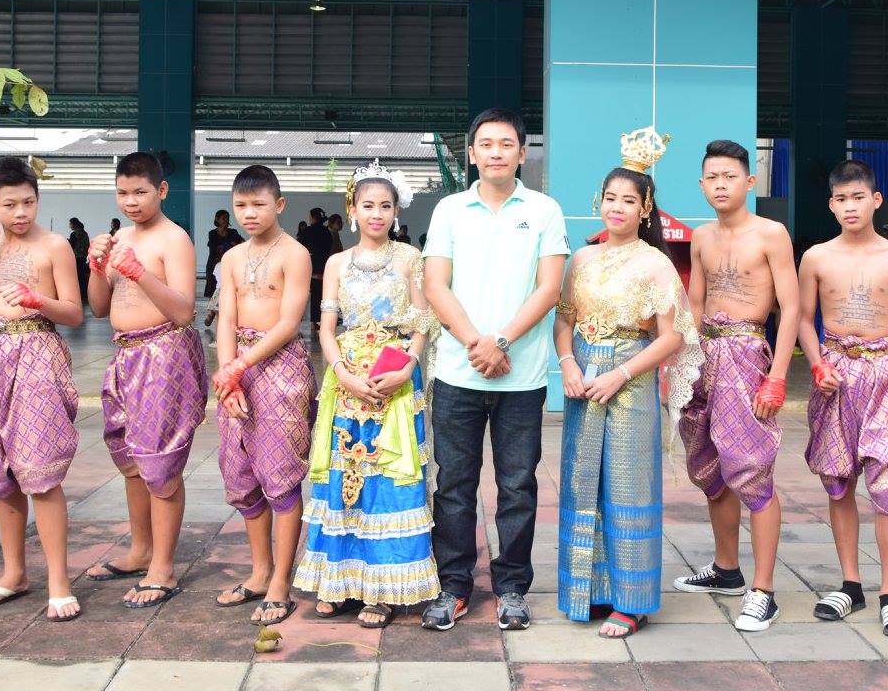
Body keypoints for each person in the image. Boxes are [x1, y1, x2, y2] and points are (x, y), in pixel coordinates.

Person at [420, 108, 568, 632]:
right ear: (472, 153)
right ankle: (453, 586)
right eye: (486, 144)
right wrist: (475, 343)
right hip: (458, 374)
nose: (497, 152)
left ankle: (511, 589)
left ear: (523, 153)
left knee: (518, 485)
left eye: (507, 144)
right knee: (453, 484)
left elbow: (549, 288)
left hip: (522, 377)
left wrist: (500, 341)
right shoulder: (450, 210)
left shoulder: (545, 210)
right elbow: (435, 285)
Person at [554, 133, 701, 638]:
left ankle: (631, 602)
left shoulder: (656, 263)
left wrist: (620, 373)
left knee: (627, 485)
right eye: (610, 198)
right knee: (583, 483)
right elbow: (564, 320)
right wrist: (567, 364)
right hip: (582, 382)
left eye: (628, 201)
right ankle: (590, 591)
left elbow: (672, 337)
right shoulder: (582, 259)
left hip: (630, 384)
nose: (616, 208)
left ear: (645, 209)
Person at [294, 162, 439, 629]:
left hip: (396, 377)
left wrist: (407, 367)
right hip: (348, 379)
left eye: (385, 206)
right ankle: (340, 583)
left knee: (389, 476)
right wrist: (342, 373)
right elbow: (326, 328)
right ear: (352, 210)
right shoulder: (337, 263)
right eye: (368, 205)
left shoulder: (411, 259)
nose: (377, 214)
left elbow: (423, 321)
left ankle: (383, 589)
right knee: (344, 477)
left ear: (396, 212)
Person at [675, 139, 799, 633]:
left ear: (749, 182)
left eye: (730, 176)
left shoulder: (771, 233)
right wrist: (683, 363)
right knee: (709, 465)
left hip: (748, 355)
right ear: (701, 185)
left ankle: (763, 591)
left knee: (752, 469)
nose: (720, 185)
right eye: (712, 177)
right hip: (705, 354)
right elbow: (695, 302)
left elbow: (791, 307)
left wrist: (777, 376)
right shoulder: (702, 237)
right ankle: (726, 569)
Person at [798, 159, 888, 639]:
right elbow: (803, 319)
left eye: (858, 198)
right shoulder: (816, 257)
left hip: (881, 372)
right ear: (831, 205)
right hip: (835, 372)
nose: (850, 207)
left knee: (887, 485)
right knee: (838, 481)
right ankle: (851, 584)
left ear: (876, 200)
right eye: (841, 199)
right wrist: (816, 364)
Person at [0, 157, 84, 623]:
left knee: (41, 471)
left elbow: (74, 313)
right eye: (9, 204)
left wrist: (39, 300)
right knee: (0, 472)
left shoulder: (55, 246)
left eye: (28, 202)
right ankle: (13, 572)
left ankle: (59, 581)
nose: (21, 212)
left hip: (37, 354)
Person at [85, 152, 207, 610]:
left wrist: (138, 272)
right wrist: (96, 267)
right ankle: (140, 550)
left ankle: (163, 567)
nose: (130, 201)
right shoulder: (120, 238)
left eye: (140, 192)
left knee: (159, 461)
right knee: (130, 458)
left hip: (164, 354)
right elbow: (99, 308)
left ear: (162, 191)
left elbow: (183, 311)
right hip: (126, 355)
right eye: (122, 193)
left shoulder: (174, 239)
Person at [212, 164, 316, 625]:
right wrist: (228, 372)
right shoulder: (232, 257)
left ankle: (280, 584)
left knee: (280, 473)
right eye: (241, 205)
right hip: (238, 369)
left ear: (279, 204)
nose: (249, 213)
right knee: (241, 473)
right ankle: (259, 573)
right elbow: (226, 318)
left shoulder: (295, 254)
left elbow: (289, 322)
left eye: (258, 204)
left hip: (281, 367)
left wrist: (241, 365)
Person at [300, 208, 333, 335]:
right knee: (321, 293)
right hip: (324, 265)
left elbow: (301, 246)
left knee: (311, 294)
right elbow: (329, 247)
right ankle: (322, 321)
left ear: (313, 217)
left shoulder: (308, 230)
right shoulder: (326, 231)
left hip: (310, 265)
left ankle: (312, 322)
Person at [203, 210, 241, 300]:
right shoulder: (212, 233)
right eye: (224, 218)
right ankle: (213, 307)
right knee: (213, 288)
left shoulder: (233, 232)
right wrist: (231, 244)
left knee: (230, 288)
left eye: (227, 218)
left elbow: (242, 244)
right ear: (217, 219)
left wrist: (232, 245)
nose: (226, 220)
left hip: (230, 263)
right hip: (215, 263)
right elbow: (215, 248)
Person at [68, 218, 90, 303]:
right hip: (83, 257)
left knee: (76, 277)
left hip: (76, 257)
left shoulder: (74, 234)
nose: (69, 226)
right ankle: (84, 294)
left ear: (74, 224)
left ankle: (78, 295)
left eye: (70, 224)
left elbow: (71, 245)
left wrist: (66, 241)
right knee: (82, 277)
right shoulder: (85, 233)